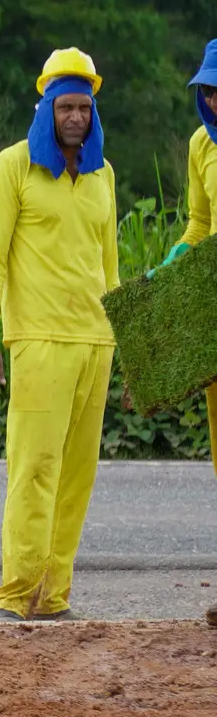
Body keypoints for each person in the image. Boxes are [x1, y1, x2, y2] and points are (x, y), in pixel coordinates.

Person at [0, 47, 118, 621]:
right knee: (33, 468)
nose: (76, 117)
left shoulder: (103, 173)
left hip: (96, 343)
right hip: (38, 339)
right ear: (47, 109)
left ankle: (52, 595)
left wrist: (126, 345)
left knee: (77, 477)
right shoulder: (13, 168)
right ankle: (17, 593)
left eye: (85, 107)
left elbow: (110, 267)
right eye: (66, 107)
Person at [149, 38, 217, 477]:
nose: (213, 99)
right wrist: (175, 261)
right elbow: (199, 222)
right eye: (208, 90)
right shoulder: (201, 144)